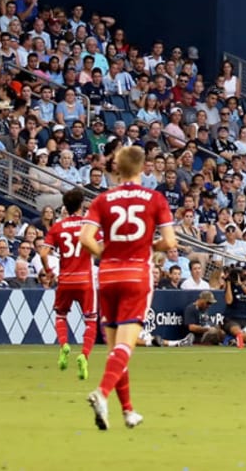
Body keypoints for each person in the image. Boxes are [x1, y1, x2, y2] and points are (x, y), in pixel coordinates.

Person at [80, 145, 176, 431]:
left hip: (108, 275)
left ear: (116, 168)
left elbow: (86, 239)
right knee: (125, 346)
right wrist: (149, 244)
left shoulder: (103, 199)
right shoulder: (155, 198)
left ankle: (128, 411)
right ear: (143, 167)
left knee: (113, 349)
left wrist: (105, 253)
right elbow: (170, 243)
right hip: (136, 275)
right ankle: (102, 392)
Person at [39, 188, 98, 379]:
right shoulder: (90, 226)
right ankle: (84, 355)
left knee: (61, 315)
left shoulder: (57, 227)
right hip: (85, 280)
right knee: (90, 319)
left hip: (65, 279)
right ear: (82, 205)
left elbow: (43, 253)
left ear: (65, 206)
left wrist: (49, 272)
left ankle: (64, 344)